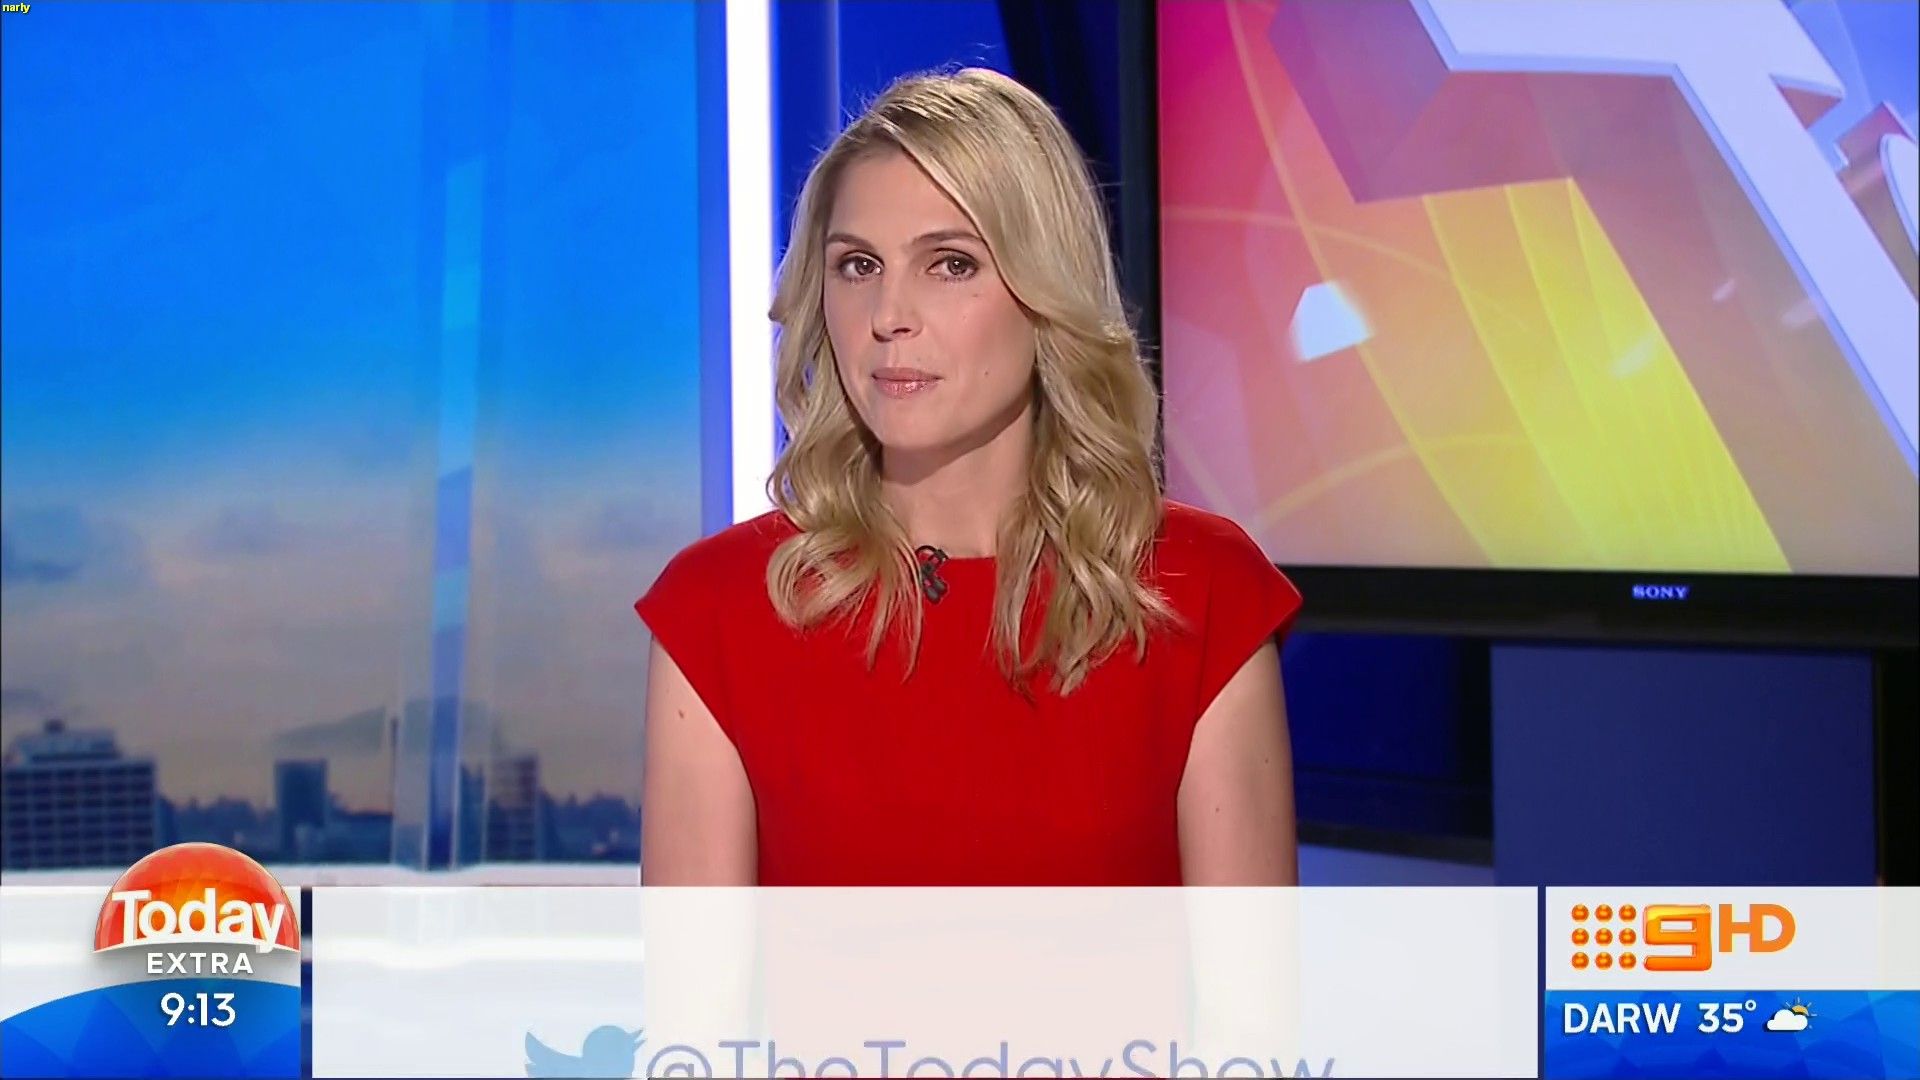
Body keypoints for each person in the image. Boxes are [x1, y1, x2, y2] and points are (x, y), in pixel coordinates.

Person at [636, 67, 1302, 886]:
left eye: (949, 264)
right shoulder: (718, 614)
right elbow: (702, 975)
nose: (888, 317)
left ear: (1046, 290)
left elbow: (1246, 974)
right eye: (858, 266)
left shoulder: (1201, 593)